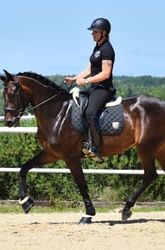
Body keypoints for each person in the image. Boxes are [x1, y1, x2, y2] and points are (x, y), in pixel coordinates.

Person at [64, 18, 115, 163]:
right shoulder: (97, 48)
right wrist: (74, 79)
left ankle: (96, 147)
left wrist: (85, 81)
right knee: (77, 105)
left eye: (95, 32)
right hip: (94, 87)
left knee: (91, 112)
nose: (92, 34)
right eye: (92, 32)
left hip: (103, 88)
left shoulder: (107, 49)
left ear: (103, 33)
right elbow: (89, 69)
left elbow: (105, 73)